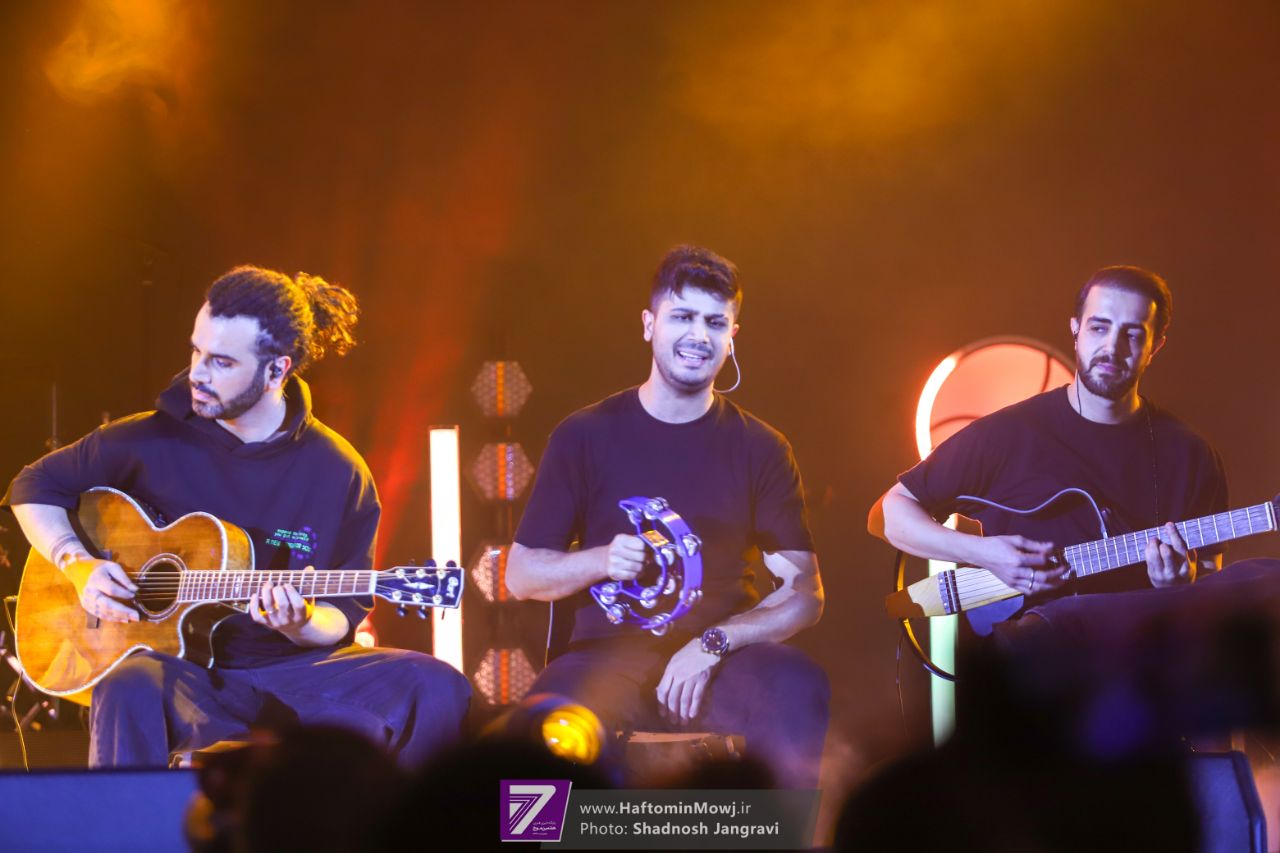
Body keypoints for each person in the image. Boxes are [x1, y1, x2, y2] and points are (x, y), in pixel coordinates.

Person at [3, 265, 470, 768]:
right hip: (189, 678)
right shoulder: (147, 438)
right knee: (128, 685)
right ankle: (125, 817)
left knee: (436, 685)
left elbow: (342, 613)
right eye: (196, 351)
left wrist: (300, 622)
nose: (198, 373)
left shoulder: (337, 470)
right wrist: (77, 564)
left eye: (221, 362)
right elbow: (31, 486)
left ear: (276, 371)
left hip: (298, 673)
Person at [506, 245, 829, 789]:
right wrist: (601, 560)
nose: (698, 335)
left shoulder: (761, 448)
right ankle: (563, 834)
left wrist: (712, 644)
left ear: (732, 337)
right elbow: (521, 575)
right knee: (537, 734)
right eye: (682, 316)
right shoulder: (585, 435)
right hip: (603, 662)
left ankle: (771, 832)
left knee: (797, 685)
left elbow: (805, 594)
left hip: (723, 660)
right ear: (648, 324)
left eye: (715, 323)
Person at [869, 265, 1228, 633]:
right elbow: (888, 515)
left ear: (1155, 346)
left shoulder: (1192, 457)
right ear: (1075, 329)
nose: (1112, 348)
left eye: (1132, 335)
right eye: (1099, 328)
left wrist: (1178, 590)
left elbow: (1211, 590)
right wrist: (985, 554)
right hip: (1029, 658)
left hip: (1139, 656)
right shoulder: (1008, 434)